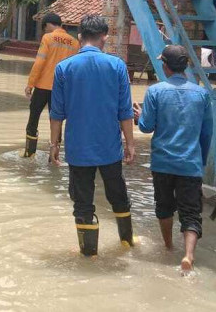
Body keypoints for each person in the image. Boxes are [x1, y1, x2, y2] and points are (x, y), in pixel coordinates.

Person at [49, 15, 136, 256]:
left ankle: (89, 255)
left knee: (83, 203)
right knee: (118, 195)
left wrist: (54, 144)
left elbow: (57, 113)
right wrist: (130, 143)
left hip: (78, 149)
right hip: (109, 148)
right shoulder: (117, 66)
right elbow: (125, 112)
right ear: (104, 38)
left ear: (79, 37)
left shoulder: (64, 68)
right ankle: (127, 242)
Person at [133, 45, 213, 273]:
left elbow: (147, 127)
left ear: (165, 67)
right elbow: (206, 133)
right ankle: (188, 255)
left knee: (164, 206)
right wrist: (200, 160)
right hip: (190, 164)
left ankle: (168, 246)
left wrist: (139, 117)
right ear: (186, 66)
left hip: (163, 163)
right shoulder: (202, 94)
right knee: (191, 212)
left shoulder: (155, 91)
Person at [23, 13, 78, 158]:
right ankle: (54, 156)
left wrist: (30, 84)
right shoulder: (74, 42)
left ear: (47, 24)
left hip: (42, 86)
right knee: (57, 120)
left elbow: (39, 63)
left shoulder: (48, 38)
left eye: (44, 28)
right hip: (61, 89)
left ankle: (29, 153)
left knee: (34, 117)